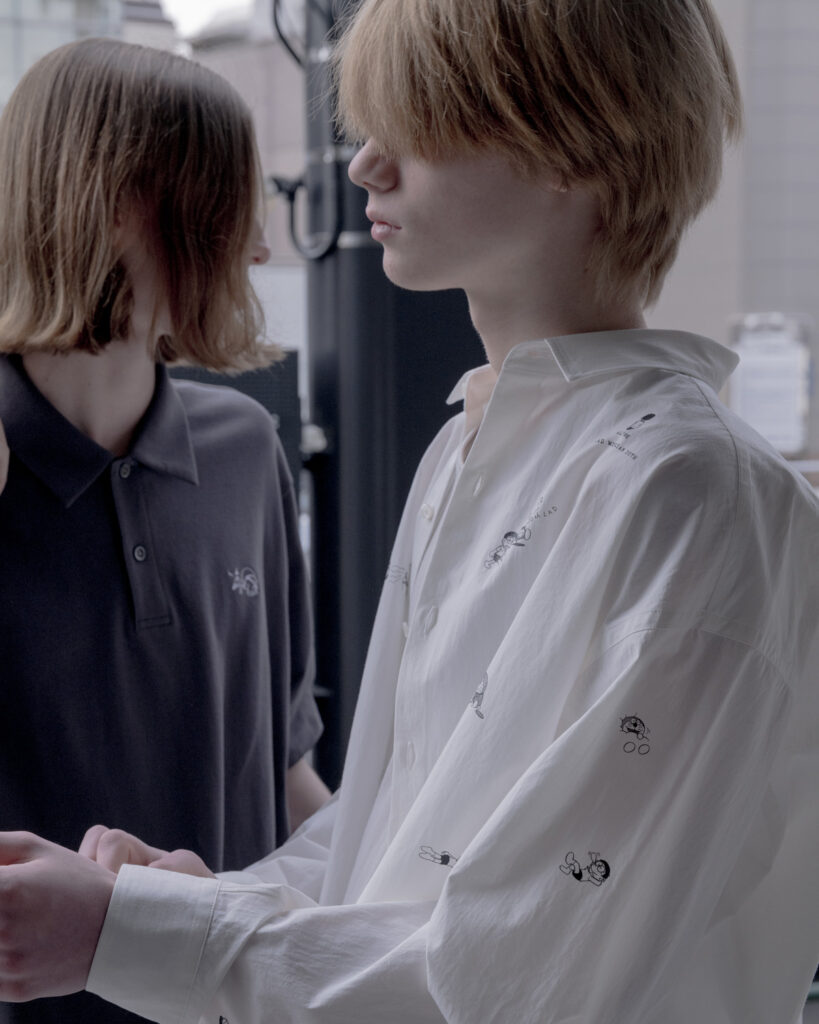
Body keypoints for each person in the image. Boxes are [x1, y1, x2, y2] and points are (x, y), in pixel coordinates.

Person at [1, 1, 818, 1021]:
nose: (365, 166)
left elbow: (516, 976)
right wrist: (185, 902)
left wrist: (136, 932)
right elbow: (398, 851)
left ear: (573, 145)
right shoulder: (464, 453)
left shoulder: (692, 495)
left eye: (419, 125)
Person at [0, 38, 328, 1024]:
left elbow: (289, 775)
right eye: (227, 204)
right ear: (114, 203)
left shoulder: (245, 450)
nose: (258, 247)